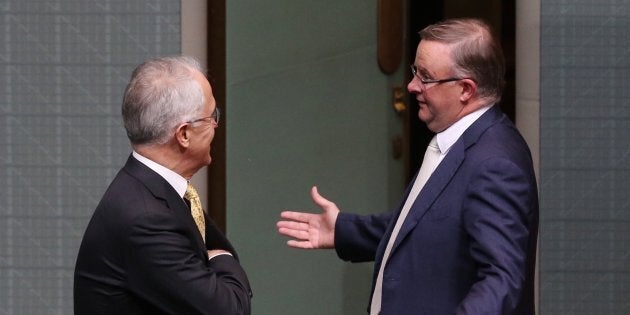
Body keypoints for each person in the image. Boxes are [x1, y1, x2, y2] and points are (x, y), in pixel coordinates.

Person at [277, 18, 538, 314]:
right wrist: (344, 231)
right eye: (415, 72)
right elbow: (428, 223)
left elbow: (502, 280)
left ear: (465, 89)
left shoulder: (495, 164)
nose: (412, 86)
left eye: (425, 77)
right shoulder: (459, 138)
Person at [74, 56, 252, 314]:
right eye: (212, 116)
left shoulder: (155, 192)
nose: (216, 125)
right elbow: (228, 309)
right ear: (184, 134)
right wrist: (222, 259)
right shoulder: (146, 219)